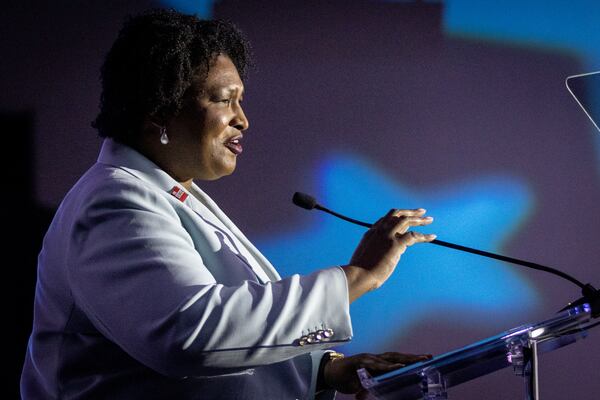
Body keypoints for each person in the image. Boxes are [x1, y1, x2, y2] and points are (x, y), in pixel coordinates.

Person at [21, 9, 436, 400]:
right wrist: (358, 277)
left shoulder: (164, 193)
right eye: (223, 99)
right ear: (157, 112)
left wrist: (322, 371)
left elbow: (217, 349)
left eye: (240, 101)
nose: (243, 119)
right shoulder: (113, 202)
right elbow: (190, 336)